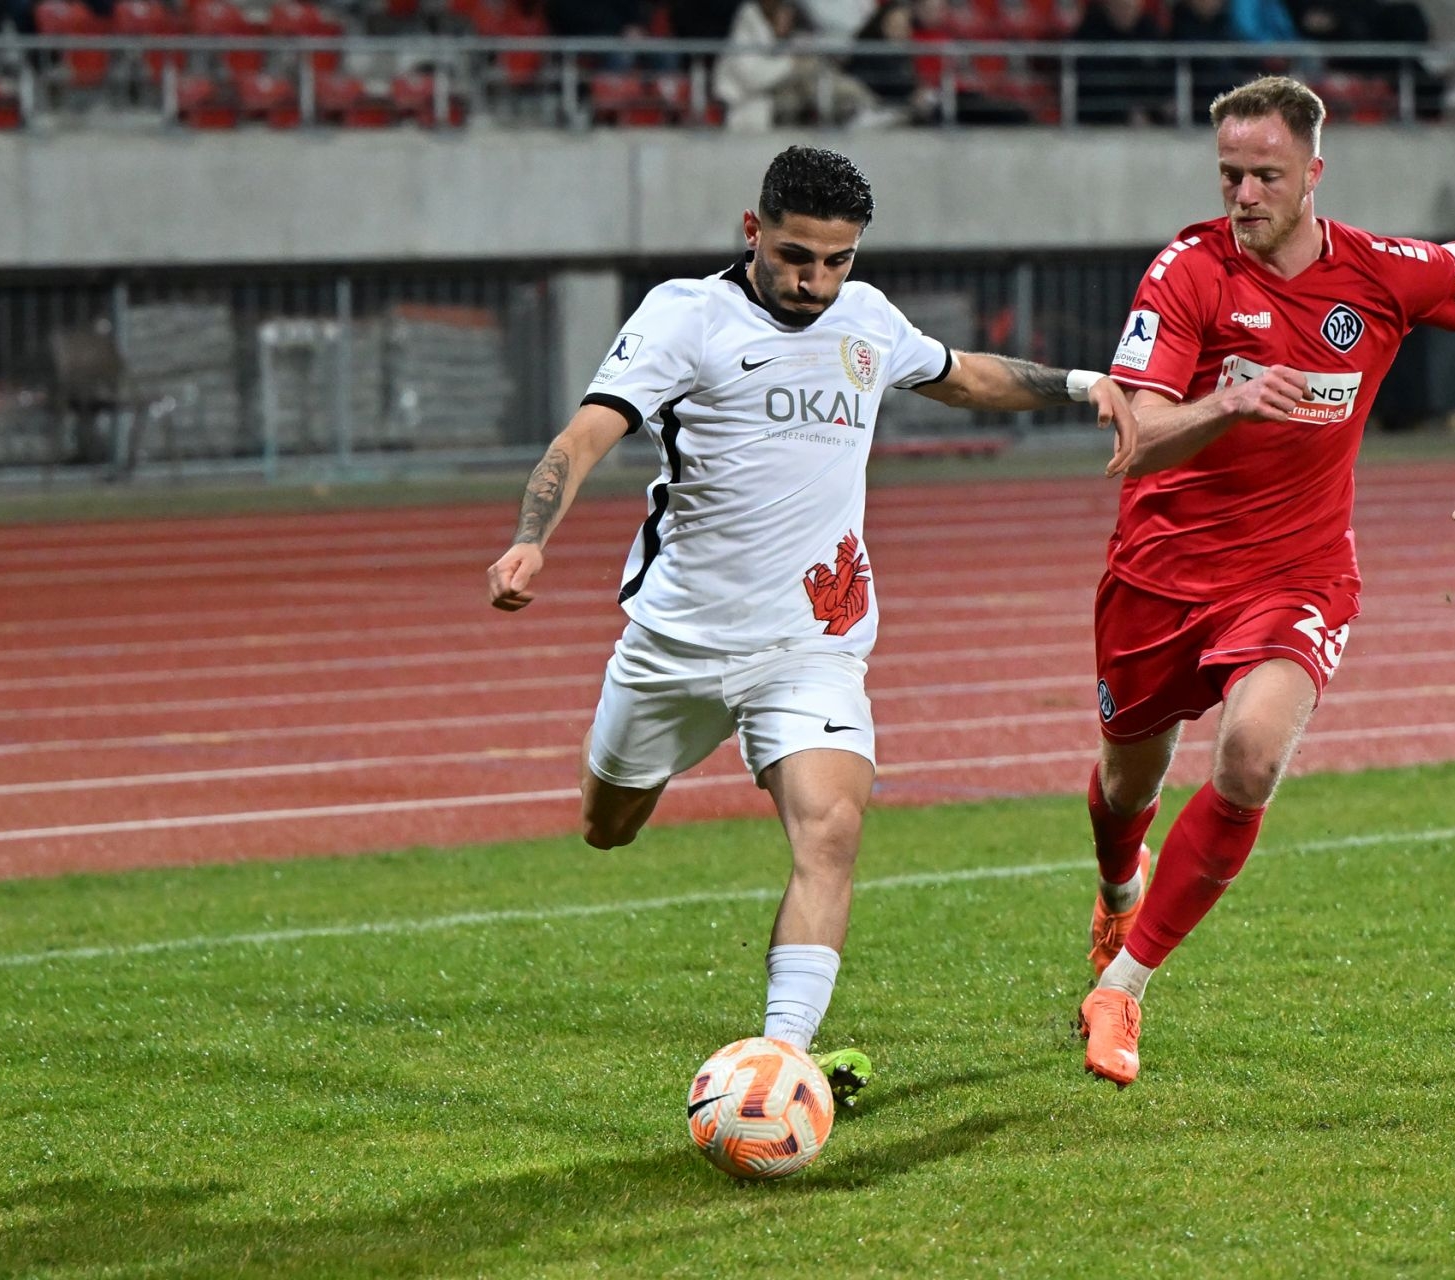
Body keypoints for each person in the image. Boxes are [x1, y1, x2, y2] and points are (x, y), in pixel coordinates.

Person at [487, 146, 1138, 1104]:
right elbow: (586, 434)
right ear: (752, 231)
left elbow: (963, 375)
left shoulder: (865, 318)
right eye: (796, 256)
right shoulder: (686, 316)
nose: (816, 281)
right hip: (677, 644)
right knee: (606, 826)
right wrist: (529, 540)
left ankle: (779, 1062)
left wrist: (1082, 384)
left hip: (812, 643)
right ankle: (642, 796)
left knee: (832, 830)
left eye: (837, 260)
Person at [1074, 75, 1455, 1086]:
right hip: (1161, 572)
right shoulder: (1187, 272)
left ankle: (1124, 985)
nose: (1244, 194)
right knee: (1124, 786)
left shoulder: (1382, 272)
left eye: (1266, 176)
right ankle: (1117, 884)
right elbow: (1135, 437)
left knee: (1249, 758)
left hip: (1297, 571)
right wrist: (1228, 403)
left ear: (1314, 172)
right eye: (1230, 174)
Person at [715, 0, 889, 130]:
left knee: (816, 68)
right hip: (750, 107)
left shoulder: (787, 39)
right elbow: (753, 78)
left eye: (789, 16)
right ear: (771, 14)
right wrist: (792, 63)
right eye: (783, 14)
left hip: (785, 104)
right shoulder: (746, 31)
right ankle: (866, 108)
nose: (787, 20)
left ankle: (866, 108)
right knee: (808, 69)